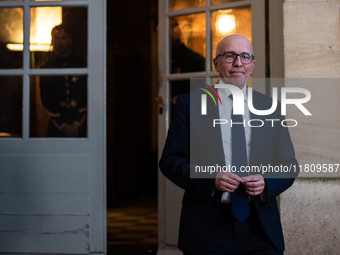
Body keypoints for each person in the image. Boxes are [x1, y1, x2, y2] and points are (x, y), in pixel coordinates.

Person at [159, 34, 299, 255]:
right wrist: (210, 179)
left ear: (252, 65)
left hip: (260, 227)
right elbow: (170, 161)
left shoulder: (270, 107)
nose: (238, 63)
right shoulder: (190, 104)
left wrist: (266, 183)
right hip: (207, 227)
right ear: (216, 63)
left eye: (245, 56)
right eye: (229, 55)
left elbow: (289, 164)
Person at [40, 24, 87, 137]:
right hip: (57, 128)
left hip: (81, 125)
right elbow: (46, 99)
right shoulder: (47, 67)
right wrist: (63, 126)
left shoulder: (82, 64)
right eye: (56, 38)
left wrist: (77, 124)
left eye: (63, 38)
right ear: (52, 41)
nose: (60, 42)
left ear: (70, 40)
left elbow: (87, 94)